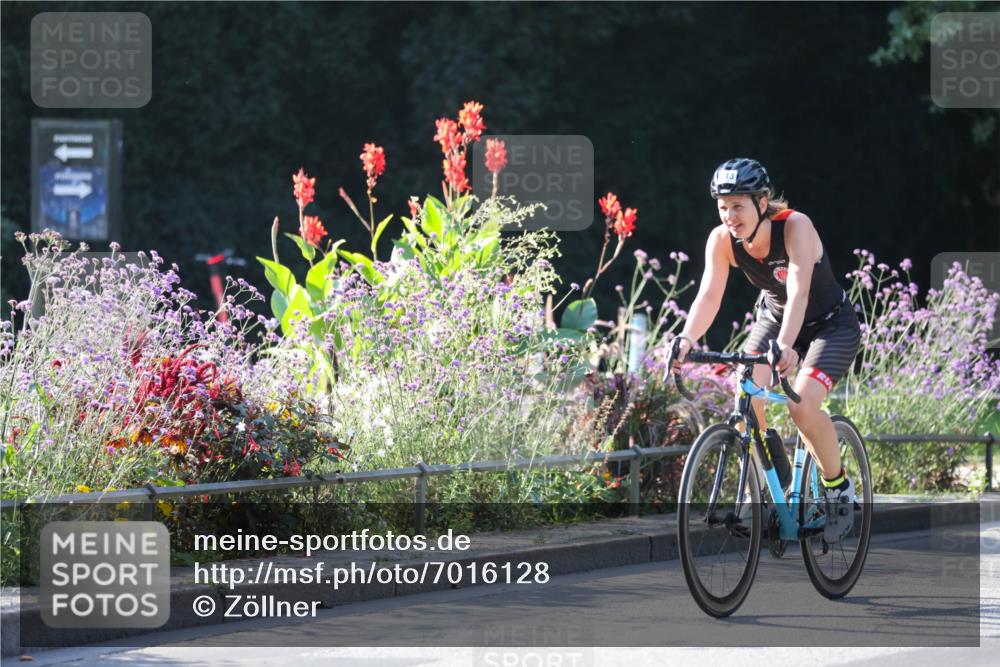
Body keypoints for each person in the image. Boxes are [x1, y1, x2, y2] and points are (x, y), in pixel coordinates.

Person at [672, 158, 861, 543]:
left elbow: (799, 293)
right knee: (745, 393)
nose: (729, 216)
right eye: (723, 207)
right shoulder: (722, 241)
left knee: (802, 405)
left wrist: (787, 347)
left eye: (738, 206)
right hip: (774, 322)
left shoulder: (795, 227)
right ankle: (769, 483)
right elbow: (709, 296)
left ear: (761, 202)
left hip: (830, 325)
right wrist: (686, 338)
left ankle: (839, 489)